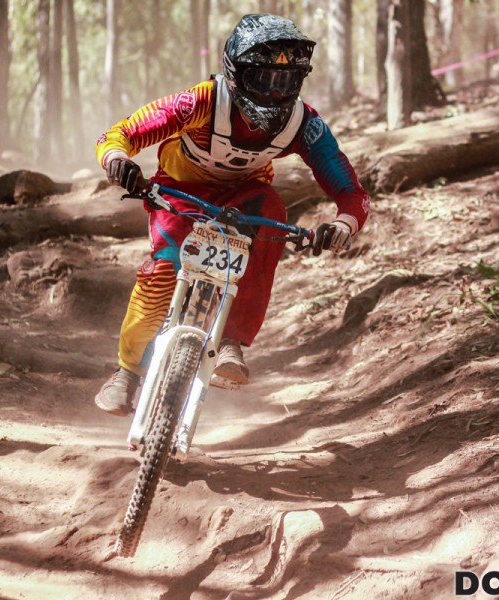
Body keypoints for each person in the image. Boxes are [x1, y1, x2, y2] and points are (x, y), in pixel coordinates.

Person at [93, 14, 370, 416]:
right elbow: (119, 135)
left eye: (287, 80)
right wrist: (117, 160)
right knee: (163, 271)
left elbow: (352, 192)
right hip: (180, 190)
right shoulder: (200, 101)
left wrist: (344, 224)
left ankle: (232, 342)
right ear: (236, 74)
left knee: (272, 208)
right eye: (264, 79)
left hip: (246, 198)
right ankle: (127, 373)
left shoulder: (302, 124)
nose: (276, 94)